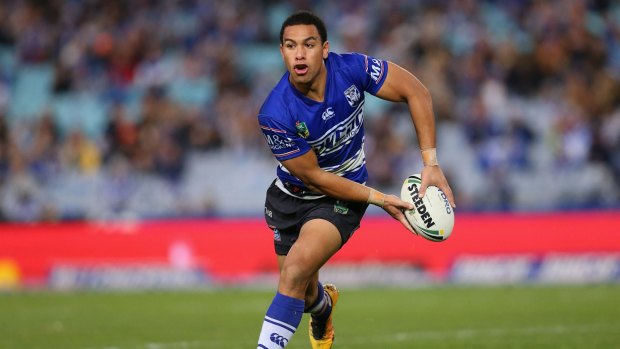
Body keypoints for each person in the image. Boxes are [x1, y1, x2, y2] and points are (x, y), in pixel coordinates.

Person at [256, 10, 455, 349]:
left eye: (308, 44)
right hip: (292, 196)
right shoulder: (275, 112)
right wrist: (381, 199)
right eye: (290, 46)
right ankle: (324, 307)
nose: (299, 54)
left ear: (325, 49)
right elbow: (315, 177)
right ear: (282, 52)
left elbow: (416, 91)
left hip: (343, 196)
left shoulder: (352, 69)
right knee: (303, 295)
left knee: (292, 274)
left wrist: (431, 162)